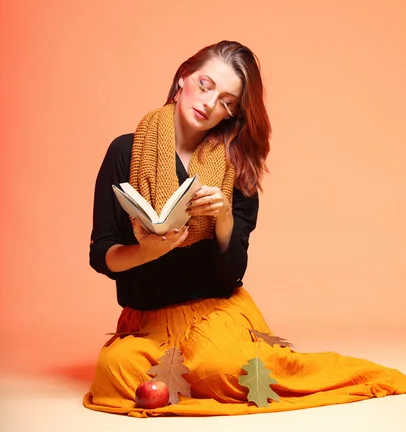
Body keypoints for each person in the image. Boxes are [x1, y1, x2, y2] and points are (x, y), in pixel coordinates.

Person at [84, 40, 406, 417]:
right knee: (114, 372)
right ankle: (189, 373)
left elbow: (231, 274)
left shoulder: (236, 166)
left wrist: (223, 219)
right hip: (148, 321)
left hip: (215, 312)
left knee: (221, 367)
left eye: (226, 101)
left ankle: (218, 367)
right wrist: (149, 250)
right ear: (182, 79)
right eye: (205, 85)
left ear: (231, 114)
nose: (209, 103)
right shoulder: (126, 150)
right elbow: (102, 254)